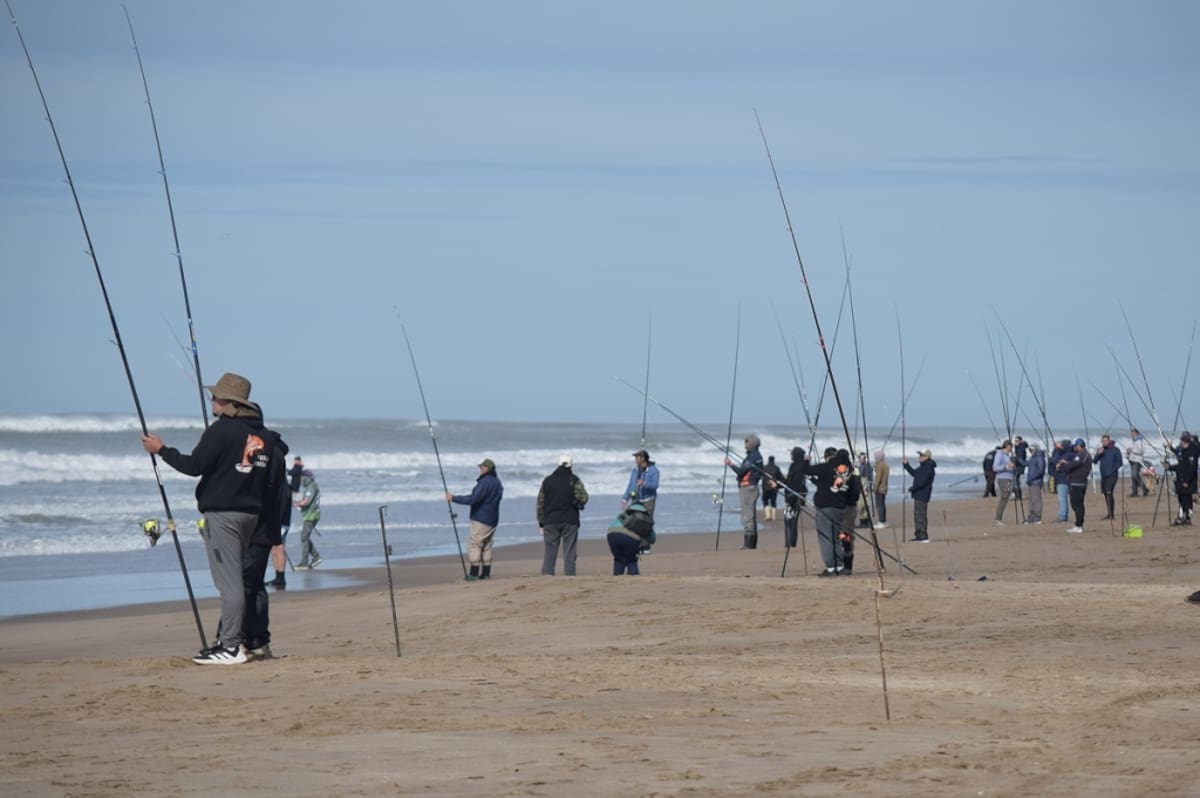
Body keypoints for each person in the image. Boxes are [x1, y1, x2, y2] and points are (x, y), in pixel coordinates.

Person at [140, 372, 272, 665]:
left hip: (224, 515)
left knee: (229, 582)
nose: (212, 401)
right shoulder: (262, 435)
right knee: (237, 579)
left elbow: (193, 465)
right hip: (251, 514)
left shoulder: (221, 431)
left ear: (227, 402)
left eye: (216, 397)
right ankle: (233, 641)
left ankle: (231, 646)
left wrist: (161, 450)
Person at [242, 414, 290, 660]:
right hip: (270, 523)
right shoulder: (276, 454)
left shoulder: (268, 456)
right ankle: (258, 640)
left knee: (247, 583)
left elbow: (270, 492)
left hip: (263, 525)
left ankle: (244, 639)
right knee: (255, 583)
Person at [448, 457, 504, 580]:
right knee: (487, 544)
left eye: (481, 467)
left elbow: (473, 499)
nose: (480, 469)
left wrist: (454, 498)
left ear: (487, 468)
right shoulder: (497, 482)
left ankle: (473, 574)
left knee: (475, 543)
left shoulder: (485, 482)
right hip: (493, 519)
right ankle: (486, 573)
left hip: (481, 518)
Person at [798, 447, 851, 576]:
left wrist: (806, 461)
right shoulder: (844, 470)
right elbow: (829, 484)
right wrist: (814, 480)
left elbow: (805, 469)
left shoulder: (825, 466)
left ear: (827, 457)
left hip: (825, 507)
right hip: (839, 508)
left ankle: (831, 568)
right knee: (836, 538)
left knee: (826, 537)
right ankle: (839, 566)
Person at [536, 454, 589, 576]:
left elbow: (540, 503)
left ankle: (547, 576)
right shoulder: (574, 480)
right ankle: (569, 576)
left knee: (550, 551)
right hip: (570, 520)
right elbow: (584, 497)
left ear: (558, 464)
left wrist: (541, 522)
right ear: (571, 465)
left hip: (550, 520)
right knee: (569, 552)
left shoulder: (547, 481)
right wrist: (577, 502)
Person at [268, 455, 304, 589]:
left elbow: (280, 506)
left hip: (280, 521)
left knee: (278, 548)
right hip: (282, 520)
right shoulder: (284, 487)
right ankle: (278, 576)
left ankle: (280, 577)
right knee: (275, 548)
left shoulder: (280, 488)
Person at [724, 434, 763, 550]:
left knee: (747, 516)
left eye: (747, 442)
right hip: (750, 488)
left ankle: (749, 545)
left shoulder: (753, 457)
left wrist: (730, 464)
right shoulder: (754, 456)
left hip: (749, 488)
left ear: (752, 443)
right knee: (750, 516)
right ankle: (751, 544)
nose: (745, 445)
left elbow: (741, 471)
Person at [606, 500, 655, 575]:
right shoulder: (645, 518)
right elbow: (652, 539)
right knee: (631, 559)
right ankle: (633, 576)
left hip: (612, 534)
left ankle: (617, 576)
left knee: (619, 558)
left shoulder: (625, 514)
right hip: (630, 538)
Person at [1059, 438, 1093, 533]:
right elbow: (1075, 465)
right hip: (1081, 482)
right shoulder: (1086, 455)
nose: (1074, 448)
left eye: (1075, 446)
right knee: (1078, 505)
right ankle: (1079, 524)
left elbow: (1071, 466)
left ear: (1079, 446)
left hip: (1077, 483)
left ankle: (1079, 525)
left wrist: (1063, 464)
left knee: (1077, 505)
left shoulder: (1081, 455)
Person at [902, 448, 936, 542]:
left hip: (922, 494)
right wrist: (906, 464)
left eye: (922, 455)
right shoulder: (923, 466)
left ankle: (923, 535)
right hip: (918, 494)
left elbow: (921, 482)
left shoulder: (928, 467)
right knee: (917, 514)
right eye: (919, 455)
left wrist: (911, 489)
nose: (919, 457)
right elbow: (914, 473)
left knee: (921, 514)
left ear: (927, 457)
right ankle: (918, 535)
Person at [1166, 433, 1200, 526]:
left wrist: (1187, 481)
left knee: (1186, 500)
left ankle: (1186, 518)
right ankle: (1184, 517)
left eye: (1182, 441)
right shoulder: (1183, 451)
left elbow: (1192, 469)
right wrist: (1169, 467)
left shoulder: (1193, 452)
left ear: (1187, 442)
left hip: (1188, 481)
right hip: (1181, 480)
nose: (1181, 443)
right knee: (1182, 499)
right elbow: (1180, 465)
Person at [293, 468, 322, 569]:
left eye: (301, 478)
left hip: (311, 515)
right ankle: (315, 556)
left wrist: (296, 503)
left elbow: (306, 502)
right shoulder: (312, 486)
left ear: (306, 477)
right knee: (305, 537)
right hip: (312, 514)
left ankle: (306, 561)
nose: (300, 480)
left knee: (304, 537)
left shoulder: (311, 487)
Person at [782, 446, 808, 548]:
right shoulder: (797, 465)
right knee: (791, 520)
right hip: (794, 496)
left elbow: (795, 484)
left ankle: (790, 543)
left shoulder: (798, 467)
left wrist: (789, 499)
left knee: (790, 520)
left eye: (792, 454)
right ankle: (790, 542)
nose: (791, 455)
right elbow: (789, 481)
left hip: (794, 497)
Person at [1094, 434, 1123, 520]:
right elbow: (1094, 461)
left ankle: (1111, 514)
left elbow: (1119, 462)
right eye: (1102, 441)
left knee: (1109, 492)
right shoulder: (1102, 450)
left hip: (1112, 475)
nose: (1104, 442)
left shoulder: (1115, 450)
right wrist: (1098, 454)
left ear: (1109, 441)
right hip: (1103, 475)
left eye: (1106, 441)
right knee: (1106, 494)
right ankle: (1109, 513)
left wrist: (1112, 470)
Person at [623, 449, 659, 517]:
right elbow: (630, 485)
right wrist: (625, 499)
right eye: (635, 457)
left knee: (646, 521)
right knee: (630, 518)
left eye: (637, 457)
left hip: (648, 501)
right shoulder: (635, 470)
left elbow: (655, 485)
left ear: (643, 458)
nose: (635, 459)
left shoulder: (653, 470)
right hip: (636, 499)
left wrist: (644, 483)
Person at [993, 439, 1015, 525]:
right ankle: (998, 519)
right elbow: (995, 467)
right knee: (1004, 497)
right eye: (1011, 447)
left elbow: (1011, 466)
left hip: (1009, 478)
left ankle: (999, 519)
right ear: (1007, 446)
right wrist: (1006, 466)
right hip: (1003, 478)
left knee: (1006, 498)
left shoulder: (1007, 455)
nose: (1012, 448)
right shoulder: (1000, 454)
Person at [1049, 439, 1072, 522]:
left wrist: (1057, 451)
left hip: (1063, 479)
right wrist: (1056, 449)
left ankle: (1063, 516)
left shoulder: (1068, 454)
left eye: (1061, 445)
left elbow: (1056, 460)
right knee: (1063, 498)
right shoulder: (1063, 453)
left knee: (1062, 498)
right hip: (1060, 478)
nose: (1060, 447)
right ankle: (1063, 515)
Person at [1023, 442, 1045, 524]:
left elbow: (1040, 471)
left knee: (1036, 500)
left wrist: (1032, 478)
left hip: (1036, 482)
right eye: (1029, 450)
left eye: (1031, 450)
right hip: (1031, 482)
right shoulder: (1033, 458)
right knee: (1031, 501)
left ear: (1036, 449)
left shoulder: (1039, 458)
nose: (1030, 451)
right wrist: (1017, 459)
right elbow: (1026, 464)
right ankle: (1031, 517)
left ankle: (1037, 518)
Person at [761, 455, 784, 522]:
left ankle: (768, 515)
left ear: (768, 460)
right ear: (774, 460)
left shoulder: (764, 468)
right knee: (773, 501)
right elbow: (781, 478)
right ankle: (773, 516)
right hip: (774, 488)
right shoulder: (776, 468)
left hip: (765, 488)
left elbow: (761, 476)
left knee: (765, 501)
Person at [1127, 428, 1149, 497]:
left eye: (1133, 433)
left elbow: (1141, 451)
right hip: (1132, 459)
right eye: (1131, 433)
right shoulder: (1133, 440)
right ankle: (1134, 492)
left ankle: (1145, 489)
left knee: (1135, 475)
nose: (1131, 435)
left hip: (1138, 460)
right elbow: (1132, 449)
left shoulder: (1141, 440)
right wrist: (1128, 453)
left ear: (1137, 433)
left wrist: (1132, 450)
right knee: (1133, 477)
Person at [855, 452, 873, 528]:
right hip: (860, 486)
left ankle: (865, 522)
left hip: (865, 486)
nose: (861, 459)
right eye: (860, 458)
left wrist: (867, 489)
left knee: (864, 505)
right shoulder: (860, 466)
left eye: (863, 458)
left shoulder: (867, 466)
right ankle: (863, 521)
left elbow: (864, 475)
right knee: (860, 505)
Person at [872, 449, 889, 529]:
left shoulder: (880, 465)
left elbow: (878, 478)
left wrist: (875, 487)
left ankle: (881, 522)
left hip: (879, 488)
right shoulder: (885, 465)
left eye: (876, 456)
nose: (875, 458)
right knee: (882, 505)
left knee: (879, 505)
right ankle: (883, 521)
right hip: (884, 487)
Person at [1012, 436, 1029, 501]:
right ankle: (1017, 496)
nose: (1015, 442)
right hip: (1018, 465)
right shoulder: (1018, 447)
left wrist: (1014, 458)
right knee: (1016, 481)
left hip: (1019, 466)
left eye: (1017, 441)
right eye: (1015, 441)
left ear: (1020, 441)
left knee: (1016, 481)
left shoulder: (1021, 447)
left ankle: (1018, 496)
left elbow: (1020, 458)